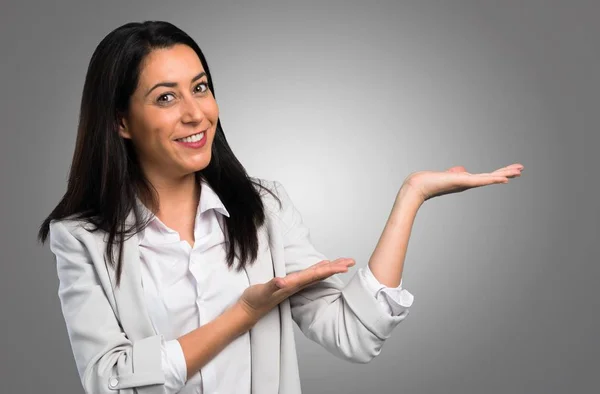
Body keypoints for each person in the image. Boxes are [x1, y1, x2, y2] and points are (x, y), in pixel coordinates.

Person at [37, 20, 523, 394]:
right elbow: (111, 379)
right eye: (166, 97)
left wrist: (412, 196)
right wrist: (242, 315)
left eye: (200, 87)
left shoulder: (264, 209)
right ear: (122, 121)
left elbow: (354, 333)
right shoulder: (82, 236)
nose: (195, 113)